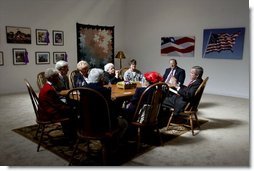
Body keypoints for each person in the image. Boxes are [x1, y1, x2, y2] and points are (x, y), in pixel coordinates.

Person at [86, 68, 128, 140]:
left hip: (86, 122)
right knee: (124, 123)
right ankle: (112, 144)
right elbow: (111, 108)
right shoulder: (104, 91)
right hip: (103, 125)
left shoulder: (83, 89)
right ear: (101, 78)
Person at [38, 68, 77, 141]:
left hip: (46, 110)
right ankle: (72, 136)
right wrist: (68, 107)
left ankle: (70, 133)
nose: (58, 78)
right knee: (73, 112)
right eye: (56, 76)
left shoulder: (47, 86)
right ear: (51, 78)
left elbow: (56, 102)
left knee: (71, 108)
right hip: (47, 114)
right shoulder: (49, 89)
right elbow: (56, 105)